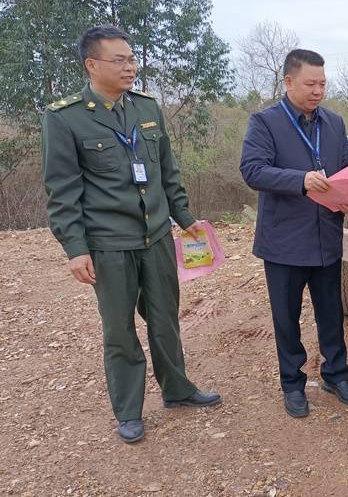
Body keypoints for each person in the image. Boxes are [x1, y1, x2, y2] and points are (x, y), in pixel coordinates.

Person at [42, 25, 221, 445]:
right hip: (109, 244)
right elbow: (62, 192)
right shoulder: (63, 118)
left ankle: (177, 390)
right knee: (119, 331)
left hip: (155, 236)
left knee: (165, 321)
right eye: (119, 60)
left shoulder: (146, 108)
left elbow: (166, 172)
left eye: (132, 59)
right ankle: (128, 410)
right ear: (92, 65)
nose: (130, 67)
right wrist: (75, 248)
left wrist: (184, 216)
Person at [240, 49, 348, 418]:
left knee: (331, 313)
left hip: (326, 236)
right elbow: (252, 171)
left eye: (322, 83)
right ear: (289, 82)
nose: (317, 91)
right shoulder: (265, 122)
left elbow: (343, 167)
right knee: (286, 317)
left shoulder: (334, 122)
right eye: (310, 83)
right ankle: (292, 383)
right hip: (284, 242)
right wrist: (300, 180)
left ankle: (336, 374)